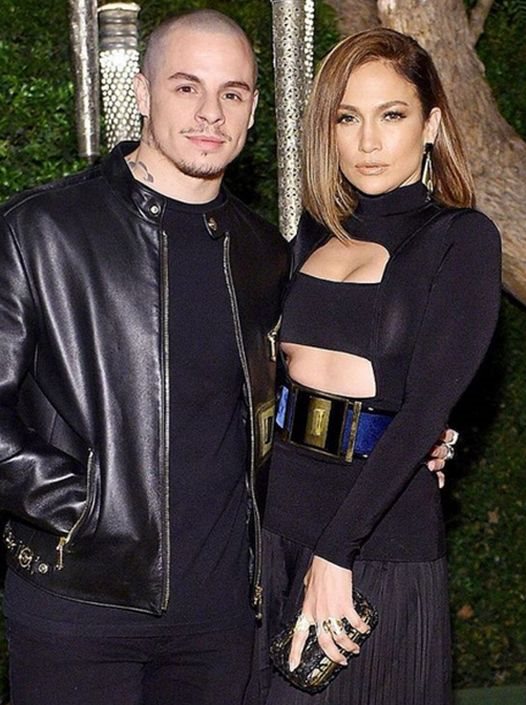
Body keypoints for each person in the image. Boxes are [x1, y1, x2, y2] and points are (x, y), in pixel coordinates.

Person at [0, 10, 290, 705]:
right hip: (80, 604)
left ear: (253, 108)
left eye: (232, 92)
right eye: (186, 87)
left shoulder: (263, 251)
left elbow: (291, 403)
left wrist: (402, 438)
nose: (211, 113)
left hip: (223, 616)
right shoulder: (41, 229)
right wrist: (86, 510)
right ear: (142, 91)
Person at [260, 28, 501, 705]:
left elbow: (424, 408)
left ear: (431, 126)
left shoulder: (460, 239)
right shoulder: (312, 232)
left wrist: (336, 553)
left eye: (391, 114)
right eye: (348, 117)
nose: (368, 141)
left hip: (377, 536)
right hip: (277, 525)